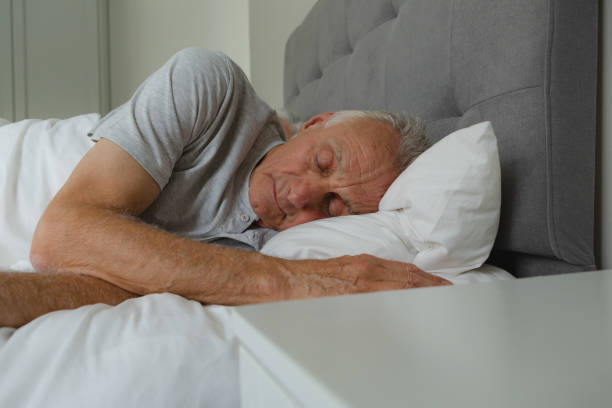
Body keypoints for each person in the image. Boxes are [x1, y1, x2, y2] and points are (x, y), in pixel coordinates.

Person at [0, 48, 450, 328]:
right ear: (312, 125)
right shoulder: (213, 88)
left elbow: (109, 277)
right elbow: (63, 235)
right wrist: (290, 284)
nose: (300, 195)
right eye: (322, 161)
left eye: (334, 206)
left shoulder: (290, 246)